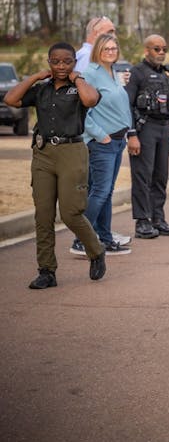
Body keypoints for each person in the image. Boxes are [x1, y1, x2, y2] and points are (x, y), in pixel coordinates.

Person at [3, 42, 106, 288]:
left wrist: (77, 78)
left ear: (73, 62)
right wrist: (35, 77)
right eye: (56, 61)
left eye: (66, 61)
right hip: (43, 153)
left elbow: (91, 101)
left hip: (72, 151)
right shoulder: (41, 89)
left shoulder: (80, 88)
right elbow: (11, 99)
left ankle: (96, 250)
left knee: (70, 212)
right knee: (44, 215)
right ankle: (47, 271)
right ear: (49, 62)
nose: (61, 66)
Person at [71, 33, 134, 257]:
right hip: (102, 143)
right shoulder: (89, 74)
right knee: (99, 192)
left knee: (107, 193)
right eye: (106, 48)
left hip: (118, 141)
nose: (110, 51)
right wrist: (100, 135)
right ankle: (80, 240)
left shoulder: (114, 74)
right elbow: (81, 111)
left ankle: (105, 239)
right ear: (97, 50)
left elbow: (120, 107)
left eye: (114, 48)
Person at [125, 34, 169, 239]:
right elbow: (127, 105)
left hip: (163, 129)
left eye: (164, 49)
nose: (161, 53)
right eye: (156, 49)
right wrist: (131, 134)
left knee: (160, 176)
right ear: (146, 50)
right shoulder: (137, 73)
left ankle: (158, 218)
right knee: (142, 176)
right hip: (145, 128)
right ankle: (142, 221)